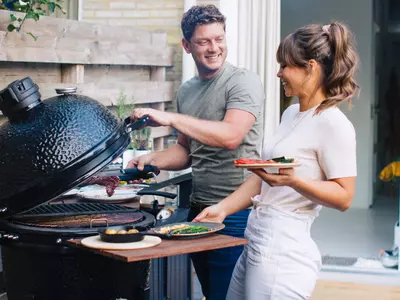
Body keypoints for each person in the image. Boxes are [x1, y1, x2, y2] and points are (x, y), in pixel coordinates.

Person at [195, 21, 359, 299]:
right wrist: (222, 208)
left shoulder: (333, 123)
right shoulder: (291, 114)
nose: (278, 73)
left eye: (285, 65)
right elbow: (264, 178)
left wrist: (294, 181)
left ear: (310, 67)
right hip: (257, 235)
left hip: (284, 250)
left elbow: (344, 196)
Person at [127, 4, 264, 300]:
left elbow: (231, 136)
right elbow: (186, 151)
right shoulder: (187, 91)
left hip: (238, 210)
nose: (214, 48)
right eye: (204, 41)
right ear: (187, 46)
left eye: (219, 39)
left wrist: (172, 118)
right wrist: (152, 159)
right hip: (198, 209)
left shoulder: (242, 82)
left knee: (227, 294)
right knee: (211, 290)